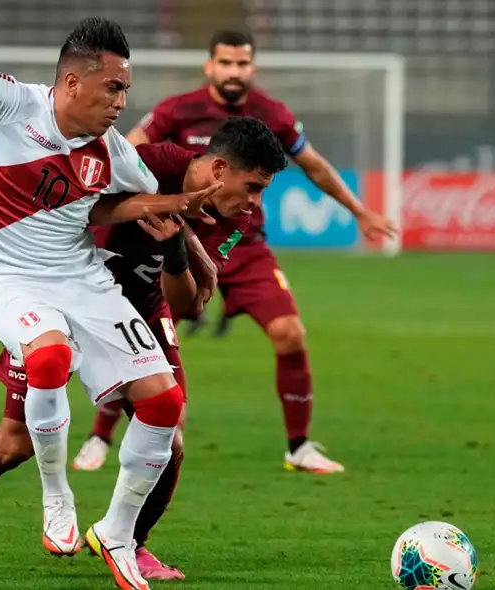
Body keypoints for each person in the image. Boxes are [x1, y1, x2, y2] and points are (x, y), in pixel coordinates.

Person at [0, 4, 217, 588]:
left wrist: (194, 245)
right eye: (112, 87)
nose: (120, 102)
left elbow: (139, 201)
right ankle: (51, 496)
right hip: (10, 279)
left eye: (126, 89)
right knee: (48, 361)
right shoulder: (16, 104)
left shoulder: (113, 150)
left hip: (83, 280)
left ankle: (117, 534)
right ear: (71, 81)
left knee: (164, 403)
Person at [0, 116, 287, 582]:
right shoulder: (146, 164)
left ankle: (129, 542)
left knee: (170, 429)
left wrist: (180, 248)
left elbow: (188, 302)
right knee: (13, 444)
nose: (255, 203)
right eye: (254, 186)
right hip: (60, 300)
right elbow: (78, 202)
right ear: (220, 169)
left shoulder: (238, 218)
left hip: (139, 308)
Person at [73, 29, 397, 475]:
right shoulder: (177, 110)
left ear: (252, 68)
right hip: (171, 232)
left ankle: (299, 446)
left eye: (242, 63)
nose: (233, 71)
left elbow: (314, 165)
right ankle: (99, 436)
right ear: (210, 67)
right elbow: (127, 151)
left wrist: (359, 211)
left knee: (290, 333)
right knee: (141, 334)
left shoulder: (272, 116)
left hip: (243, 246)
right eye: (225, 63)